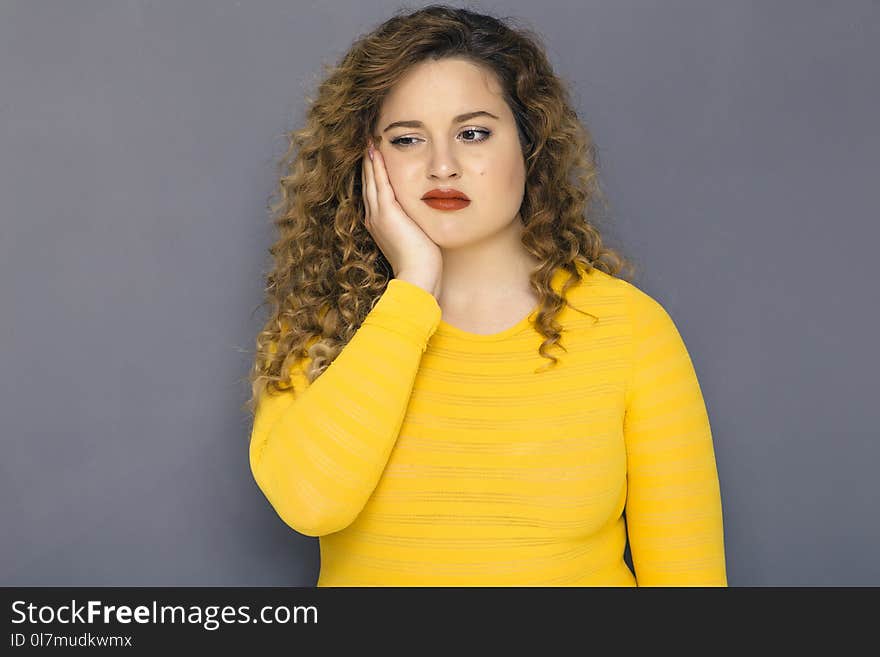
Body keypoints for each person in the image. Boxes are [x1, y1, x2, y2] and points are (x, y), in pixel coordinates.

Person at [244, 4, 727, 586]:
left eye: (473, 133)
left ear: (529, 145)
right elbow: (310, 504)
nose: (442, 166)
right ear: (365, 162)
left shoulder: (628, 328)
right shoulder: (322, 332)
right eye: (406, 140)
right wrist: (413, 288)